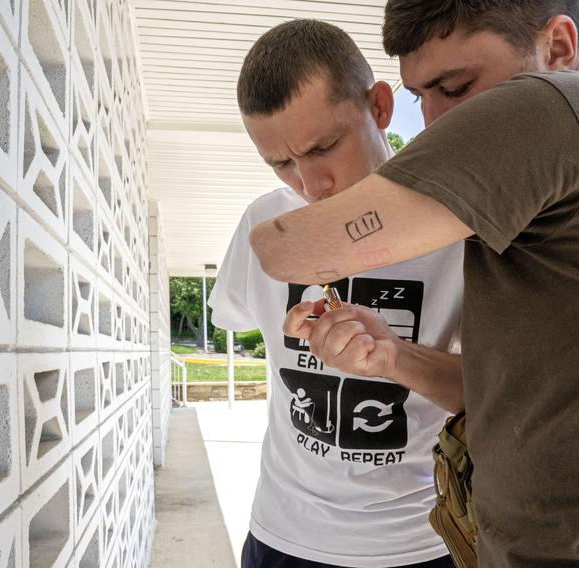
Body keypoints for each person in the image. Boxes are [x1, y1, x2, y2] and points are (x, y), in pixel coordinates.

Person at [250, 1, 579, 566]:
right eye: (421, 97)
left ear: (557, 47)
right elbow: (503, 394)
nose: (436, 124)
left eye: (456, 87)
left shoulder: (551, 110)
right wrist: (393, 357)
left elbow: (288, 247)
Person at [209, 19, 465, 568]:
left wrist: (393, 358)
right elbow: (230, 315)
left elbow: (487, 394)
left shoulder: (458, 226)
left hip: (420, 543)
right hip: (281, 534)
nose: (309, 184)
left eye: (324, 146)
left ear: (379, 107)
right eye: (280, 162)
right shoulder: (264, 224)